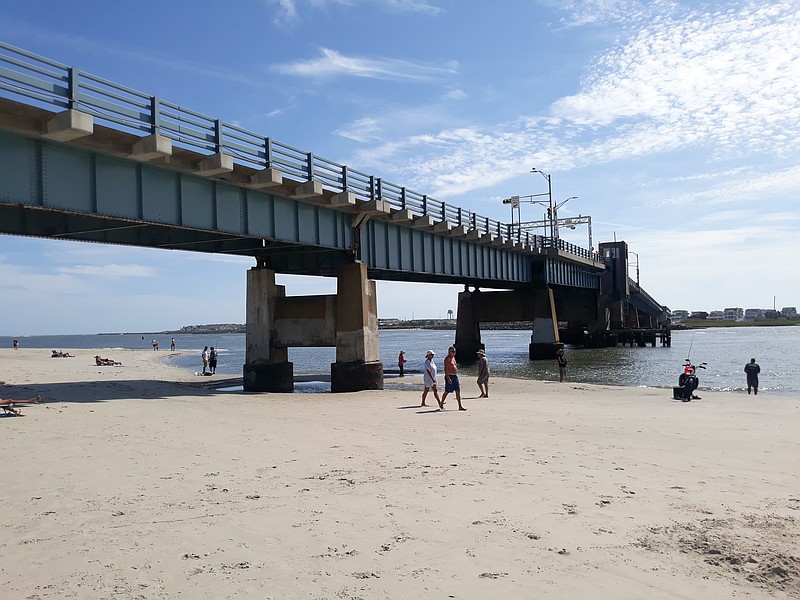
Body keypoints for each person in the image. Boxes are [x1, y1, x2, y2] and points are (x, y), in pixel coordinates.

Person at [440, 346, 465, 411]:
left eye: (455, 351)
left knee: (458, 390)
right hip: (449, 376)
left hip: (455, 376)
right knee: (447, 391)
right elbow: (445, 369)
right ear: (449, 352)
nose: (454, 353)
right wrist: (448, 378)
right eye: (452, 351)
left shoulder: (453, 358)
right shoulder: (447, 359)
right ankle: (441, 403)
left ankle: (460, 406)